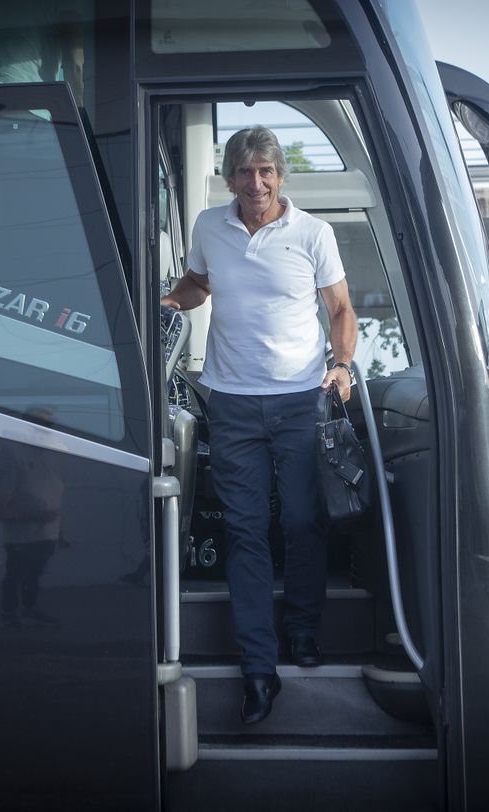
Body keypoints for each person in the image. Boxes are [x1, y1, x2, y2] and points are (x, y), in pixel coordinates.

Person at [160, 126, 356, 725]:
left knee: (301, 518)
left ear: (280, 176)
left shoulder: (312, 234)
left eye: (266, 171)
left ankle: (301, 630)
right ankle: (258, 670)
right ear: (231, 178)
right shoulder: (208, 227)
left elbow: (342, 309)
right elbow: (199, 284)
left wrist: (342, 365)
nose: (257, 182)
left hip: (300, 399)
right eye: (245, 172)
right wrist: (163, 301)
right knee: (245, 532)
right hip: (234, 403)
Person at [0, 407, 67, 628]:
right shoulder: (13, 454)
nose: (46, 430)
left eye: (49, 426)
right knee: (15, 574)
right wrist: (35, 515)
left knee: (35, 575)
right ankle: (9, 614)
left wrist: (58, 530)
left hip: (46, 534)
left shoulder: (51, 455)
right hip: (22, 536)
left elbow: (52, 493)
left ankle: (30, 609)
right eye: (40, 425)